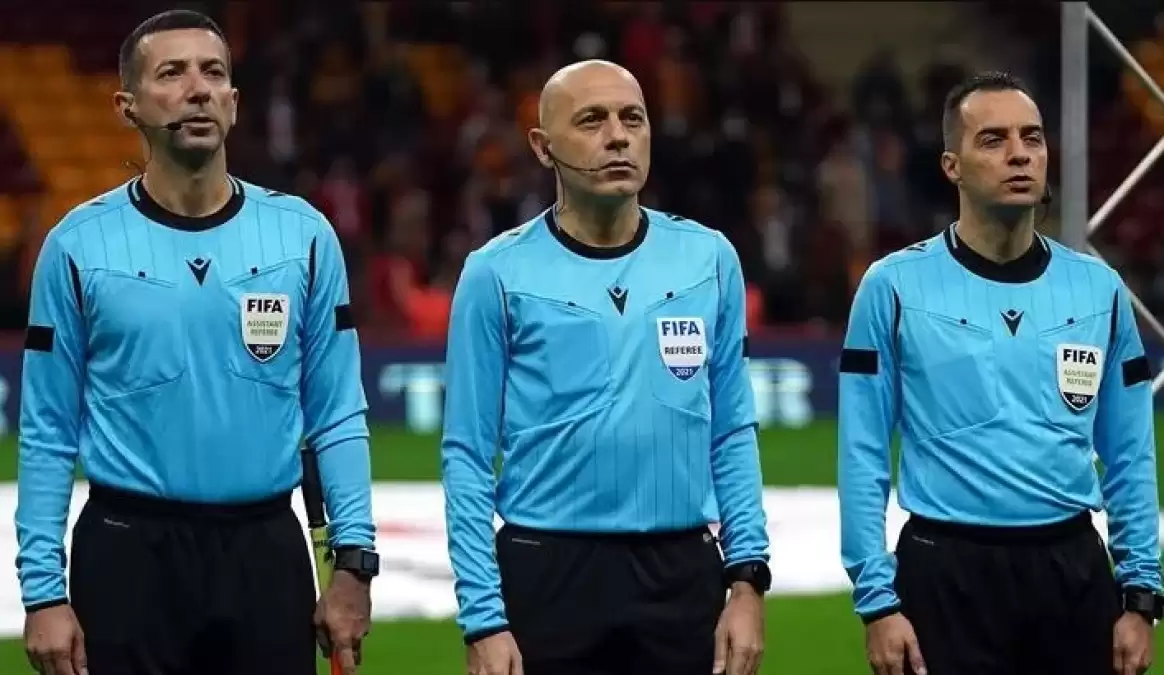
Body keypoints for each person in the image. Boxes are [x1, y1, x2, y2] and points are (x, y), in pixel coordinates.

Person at [15, 10, 380, 675]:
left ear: (234, 102)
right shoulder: (76, 245)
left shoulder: (303, 236)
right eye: (171, 73)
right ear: (127, 105)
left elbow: (337, 415)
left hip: (266, 557)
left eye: (213, 73)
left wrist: (353, 564)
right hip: (127, 556)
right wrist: (43, 592)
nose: (197, 89)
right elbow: (47, 432)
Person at [440, 59, 771, 675]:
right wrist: (484, 618)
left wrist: (748, 580)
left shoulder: (708, 259)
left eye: (632, 119)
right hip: (546, 573)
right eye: (592, 120)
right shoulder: (495, 273)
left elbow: (731, 431)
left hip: (681, 575)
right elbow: (467, 455)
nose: (617, 136)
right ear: (542, 147)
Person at [839, 70, 1162, 675]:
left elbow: (1131, 455)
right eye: (993, 140)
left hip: (1073, 575)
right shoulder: (893, 287)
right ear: (951, 166)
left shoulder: (1100, 290)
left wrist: (1142, 594)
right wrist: (877, 601)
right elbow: (862, 455)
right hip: (945, 574)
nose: (1019, 153)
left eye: (1031, 137)